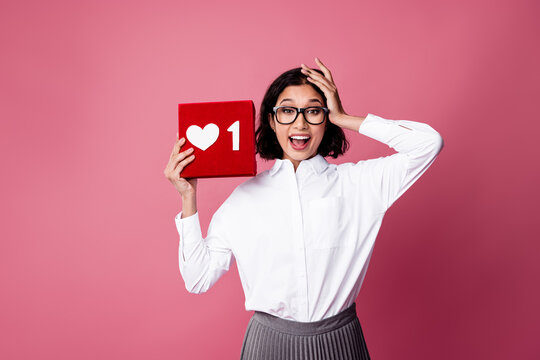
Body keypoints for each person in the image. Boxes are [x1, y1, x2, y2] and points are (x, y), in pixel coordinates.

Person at [164, 58, 444, 359]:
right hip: (267, 346)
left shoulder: (360, 184)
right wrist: (188, 198)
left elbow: (428, 143)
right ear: (272, 121)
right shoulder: (243, 199)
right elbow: (197, 278)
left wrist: (345, 117)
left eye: (313, 111)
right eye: (287, 111)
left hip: (341, 343)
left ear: (326, 119)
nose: (300, 123)